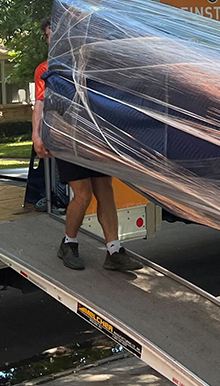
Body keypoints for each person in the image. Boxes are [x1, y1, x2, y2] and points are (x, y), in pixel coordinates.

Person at [32, 17, 142, 273]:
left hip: (92, 139)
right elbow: (39, 104)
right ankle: (68, 244)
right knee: (83, 194)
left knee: (105, 190)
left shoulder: (85, 63)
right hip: (65, 139)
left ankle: (114, 251)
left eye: (54, 34)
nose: (51, 39)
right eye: (48, 35)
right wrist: (37, 136)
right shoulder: (46, 69)